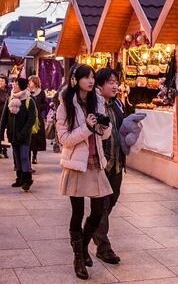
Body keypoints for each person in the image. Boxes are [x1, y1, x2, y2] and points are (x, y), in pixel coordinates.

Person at [56, 64, 112, 280]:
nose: (91, 81)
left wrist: (102, 127)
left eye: (92, 77)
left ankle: (84, 245)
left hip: (96, 162)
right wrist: (86, 128)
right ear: (75, 80)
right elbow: (65, 140)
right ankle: (78, 258)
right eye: (86, 77)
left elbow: (104, 136)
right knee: (77, 213)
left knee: (98, 211)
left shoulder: (97, 101)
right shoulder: (65, 105)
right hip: (76, 165)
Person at [92, 67, 141, 265]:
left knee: (112, 201)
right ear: (100, 85)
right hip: (101, 164)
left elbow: (121, 129)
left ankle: (94, 227)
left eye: (115, 82)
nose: (115, 86)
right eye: (110, 82)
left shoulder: (118, 104)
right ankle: (103, 246)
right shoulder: (95, 105)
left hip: (118, 164)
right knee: (103, 205)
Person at [0, 77, 37, 191]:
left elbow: (31, 119)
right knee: (16, 157)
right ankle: (19, 178)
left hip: (24, 135)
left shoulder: (29, 100)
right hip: (12, 134)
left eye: (16, 84)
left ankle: (27, 179)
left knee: (24, 156)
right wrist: (1, 133)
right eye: (13, 83)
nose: (14, 85)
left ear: (22, 85)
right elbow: (4, 117)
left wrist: (23, 132)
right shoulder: (9, 98)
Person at [28, 75, 48, 164]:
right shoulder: (26, 92)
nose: (29, 83)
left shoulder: (41, 92)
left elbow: (45, 104)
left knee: (36, 138)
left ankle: (34, 156)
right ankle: (27, 157)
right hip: (28, 118)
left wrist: (38, 107)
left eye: (31, 81)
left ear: (35, 82)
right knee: (29, 138)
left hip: (37, 118)